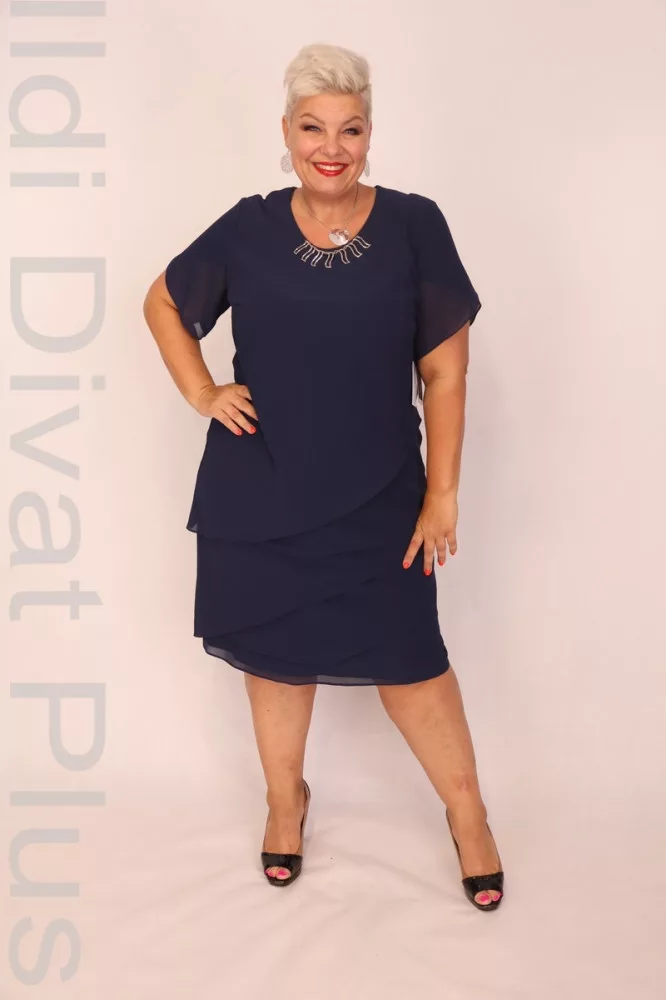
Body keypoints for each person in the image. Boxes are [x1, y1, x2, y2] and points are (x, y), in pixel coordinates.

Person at [143, 42, 504, 911]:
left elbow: (444, 372)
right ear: (287, 133)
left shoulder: (415, 225)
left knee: (412, 665)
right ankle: (285, 803)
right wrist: (202, 391)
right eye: (313, 128)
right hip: (259, 488)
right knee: (275, 663)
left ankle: (470, 815)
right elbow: (164, 302)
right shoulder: (248, 228)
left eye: (349, 128)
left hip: (380, 492)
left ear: (370, 133)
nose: (330, 147)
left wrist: (442, 492)